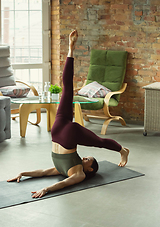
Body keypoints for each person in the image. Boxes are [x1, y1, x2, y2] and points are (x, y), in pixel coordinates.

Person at [7, 30, 129, 198]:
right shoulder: (77, 170)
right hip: (70, 133)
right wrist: (35, 180)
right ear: (91, 168)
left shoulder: (77, 174)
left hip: (57, 132)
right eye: (89, 159)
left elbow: (46, 174)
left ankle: (121, 149)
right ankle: (71, 49)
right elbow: (56, 178)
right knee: (68, 89)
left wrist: (25, 174)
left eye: (88, 160)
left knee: (69, 94)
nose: (85, 158)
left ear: (90, 170)